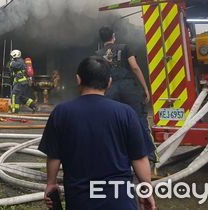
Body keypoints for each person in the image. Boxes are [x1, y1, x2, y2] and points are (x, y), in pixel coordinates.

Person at [39, 56, 156, 210]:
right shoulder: (126, 113)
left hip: (80, 202)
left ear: (78, 79)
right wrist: (146, 190)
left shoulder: (61, 112)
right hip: (120, 202)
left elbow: (54, 155)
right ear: (109, 83)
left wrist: (51, 183)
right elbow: (139, 158)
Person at [96, 26, 157, 167]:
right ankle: (149, 157)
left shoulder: (97, 54)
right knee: (139, 120)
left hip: (109, 90)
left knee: (111, 124)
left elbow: (97, 75)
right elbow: (134, 67)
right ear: (113, 35)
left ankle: (113, 157)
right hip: (129, 89)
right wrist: (145, 88)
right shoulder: (125, 48)